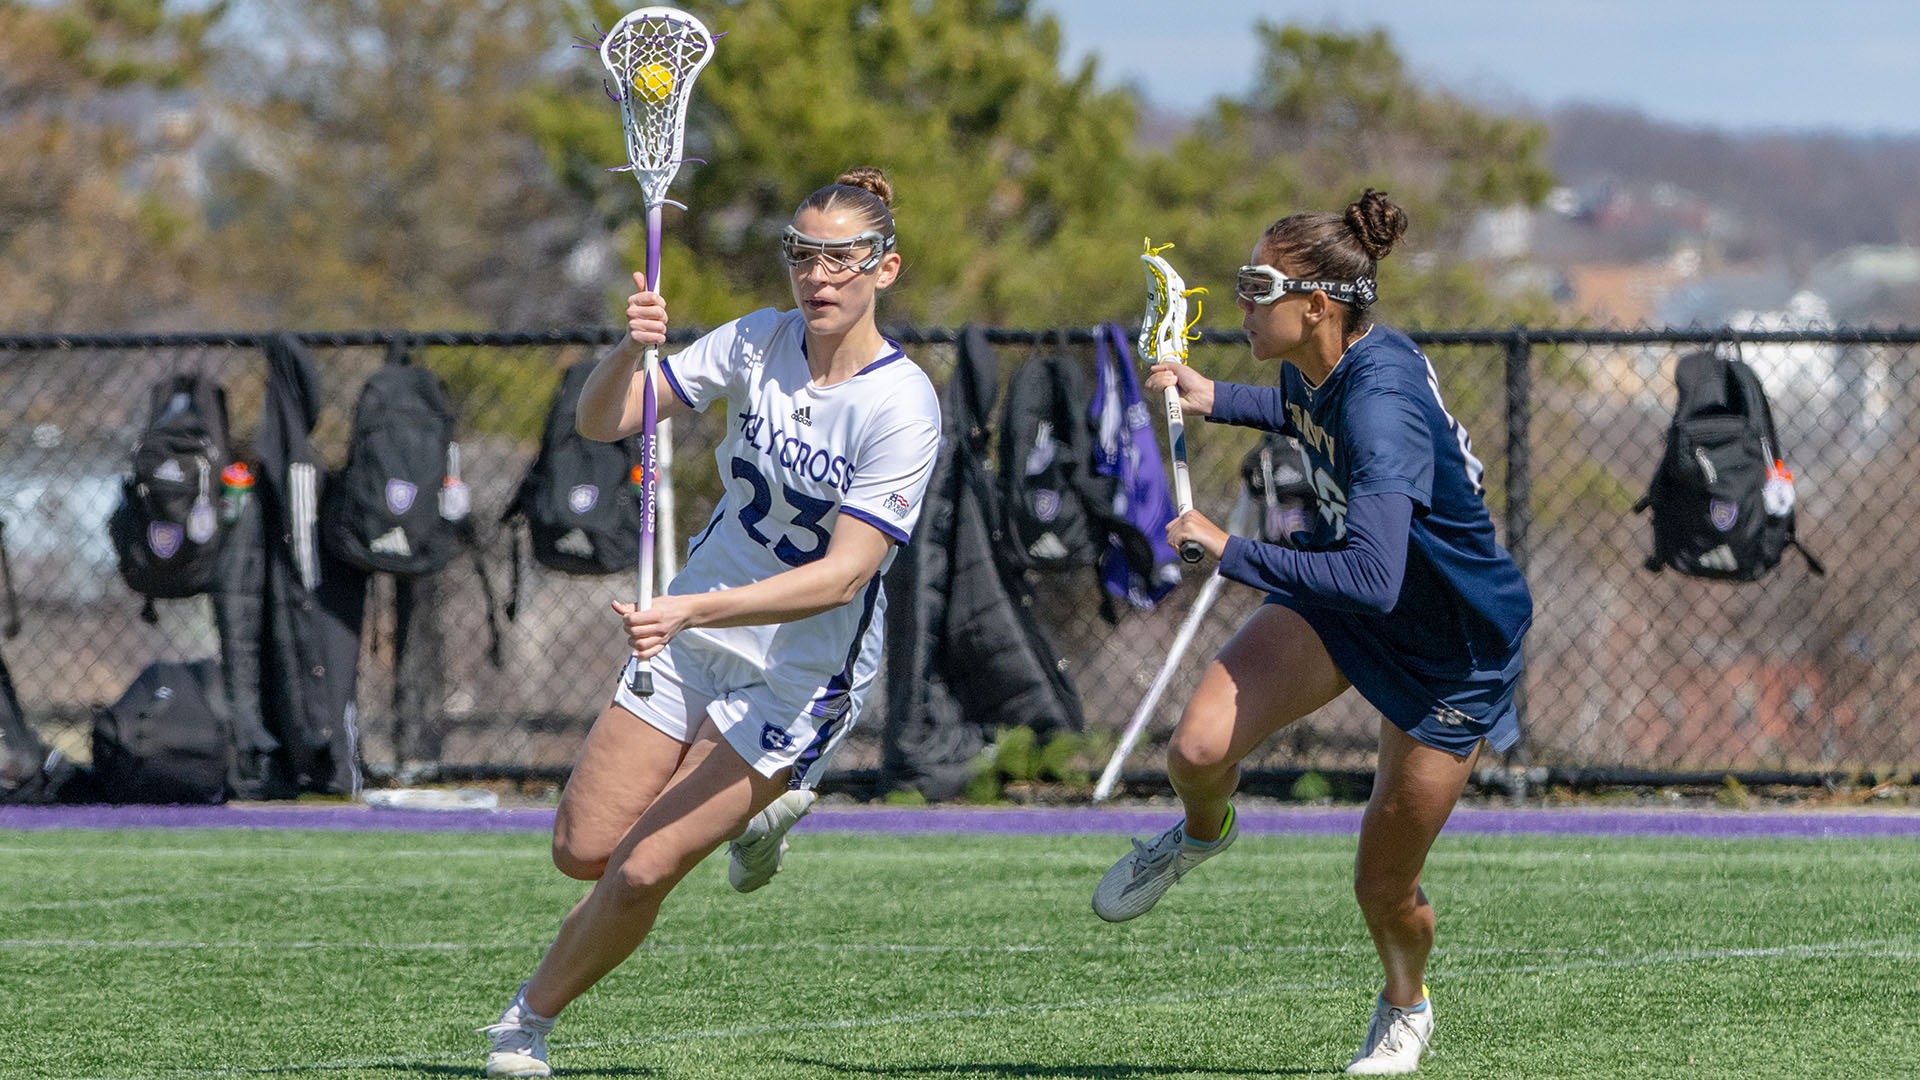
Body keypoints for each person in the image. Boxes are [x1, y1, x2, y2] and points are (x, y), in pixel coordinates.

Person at [480, 166, 941, 1078]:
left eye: (843, 258)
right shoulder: (756, 342)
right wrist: (630, 349)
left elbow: (843, 578)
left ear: (885, 269)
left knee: (645, 867)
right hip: (693, 637)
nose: (819, 276)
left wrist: (688, 604)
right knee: (584, 851)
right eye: (802, 255)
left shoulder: (901, 404)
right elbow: (606, 419)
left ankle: (525, 1022)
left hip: (797, 670)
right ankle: (761, 811)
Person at [1090, 189, 1532, 1076]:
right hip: (1349, 596)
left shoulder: (1381, 401)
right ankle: (1204, 831)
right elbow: (1299, 409)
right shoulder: (1322, 364)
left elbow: (1375, 578)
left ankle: (1406, 1006)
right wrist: (1214, 396)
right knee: (1197, 748)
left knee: (1381, 888)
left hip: (1450, 646)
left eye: (1258, 286)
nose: (1242, 303)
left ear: (1318, 305)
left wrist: (1229, 549)